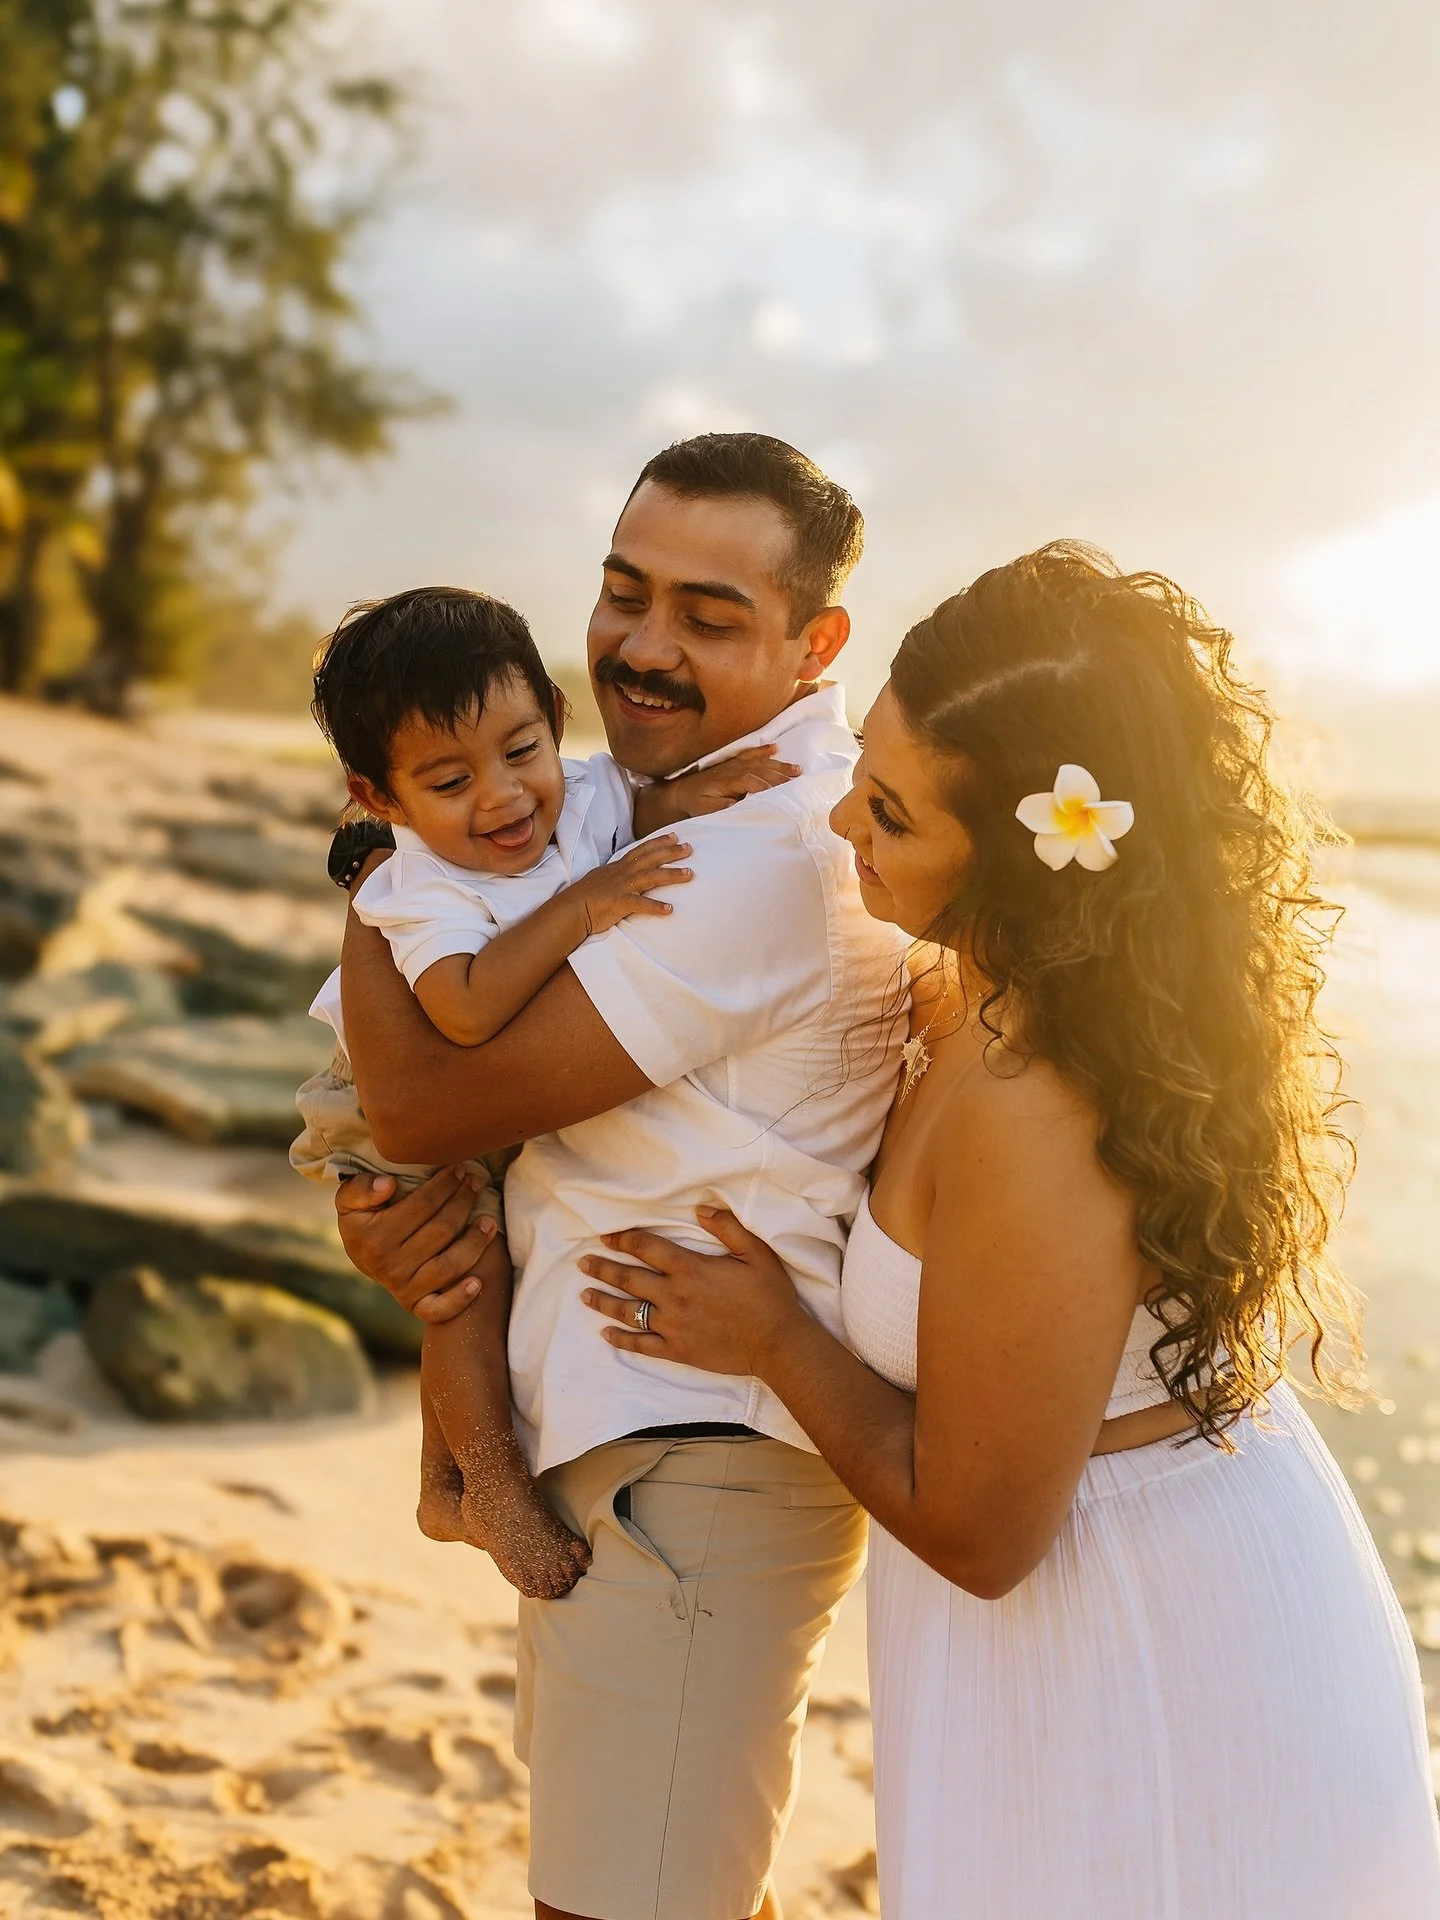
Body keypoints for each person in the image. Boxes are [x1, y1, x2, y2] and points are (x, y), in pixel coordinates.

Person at [579, 543, 1440, 1919]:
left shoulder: (1040, 1099)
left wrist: (775, 1337)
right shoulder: (956, 991)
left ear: (1035, 867)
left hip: (1145, 1638)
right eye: (863, 769)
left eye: (897, 815)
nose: (842, 823)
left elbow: (983, 1532)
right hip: (1083, 1605)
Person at [329, 435, 909, 1920]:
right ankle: (463, 1473)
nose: (642, 649)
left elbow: (420, 1097)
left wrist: (371, 876)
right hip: (630, 1425)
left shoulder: (767, 854)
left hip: (693, 1451)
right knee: (672, 1887)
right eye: (621, 591)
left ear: (814, 641)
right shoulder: (636, 803)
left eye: (709, 617)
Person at [293, 586, 791, 1601]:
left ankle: (445, 1479)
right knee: (465, 1278)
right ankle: (487, 1484)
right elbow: (466, 1008)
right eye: (448, 779)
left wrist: (699, 800)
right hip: (383, 1087)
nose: (501, 799)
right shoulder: (420, 883)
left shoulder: (581, 793)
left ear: (555, 722)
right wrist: (582, 908)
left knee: (494, 1264)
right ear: (378, 798)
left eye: (520, 753)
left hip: (486, 1086)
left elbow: (634, 807)